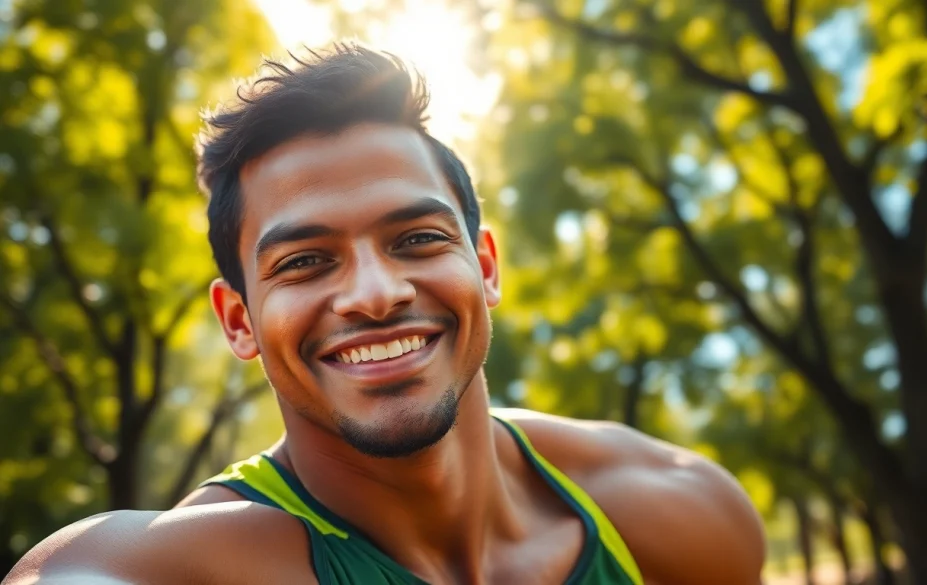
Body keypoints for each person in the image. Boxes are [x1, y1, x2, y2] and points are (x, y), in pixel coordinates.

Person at [4, 43, 764, 585]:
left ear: (486, 266)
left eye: (417, 239)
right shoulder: (176, 568)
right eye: (305, 260)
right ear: (238, 320)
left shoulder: (675, 513)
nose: (374, 292)